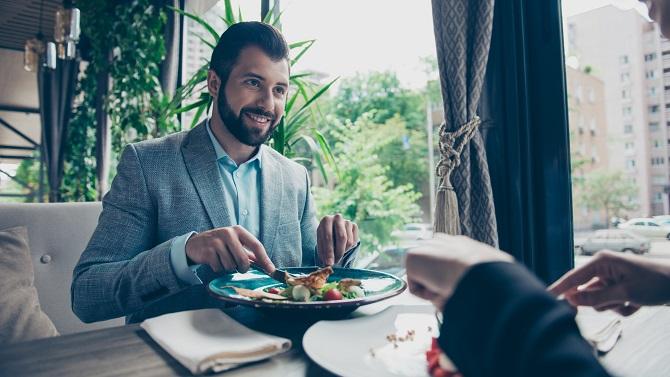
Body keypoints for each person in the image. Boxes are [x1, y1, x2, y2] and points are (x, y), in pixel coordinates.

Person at [71, 22, 359, 324]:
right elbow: (87, 294)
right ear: (214, 83)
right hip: (179, 363)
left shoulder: (295, 178)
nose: (267, 103)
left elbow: (313, 277)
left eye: (279, 90)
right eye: (253, 83)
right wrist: (183, 253)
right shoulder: (147, 163)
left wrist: (339, 247)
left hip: (280, 354)